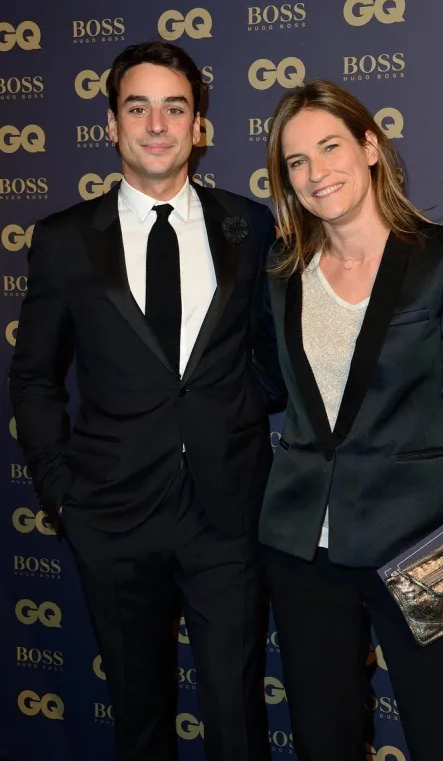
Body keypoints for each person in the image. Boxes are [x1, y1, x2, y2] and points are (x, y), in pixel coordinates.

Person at [9, 40, 284, 761]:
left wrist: (233, 424)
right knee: (140, 716)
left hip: (226, 514)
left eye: (175, 107)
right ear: (111, 123)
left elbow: (271, 354)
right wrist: (62, 494)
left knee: (236, 712)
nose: (156, 124)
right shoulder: (65, 240)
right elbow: (34, 378)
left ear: (199, 127)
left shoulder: (247, 226)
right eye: (139, 107)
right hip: (111, 513)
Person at [258, 79, 443, 761]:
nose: (316, 172)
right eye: (296, 162)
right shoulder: (283, 273)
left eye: (330, 147)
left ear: (370, 148)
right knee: (324, 737)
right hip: (303, 549)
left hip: (417, 544)